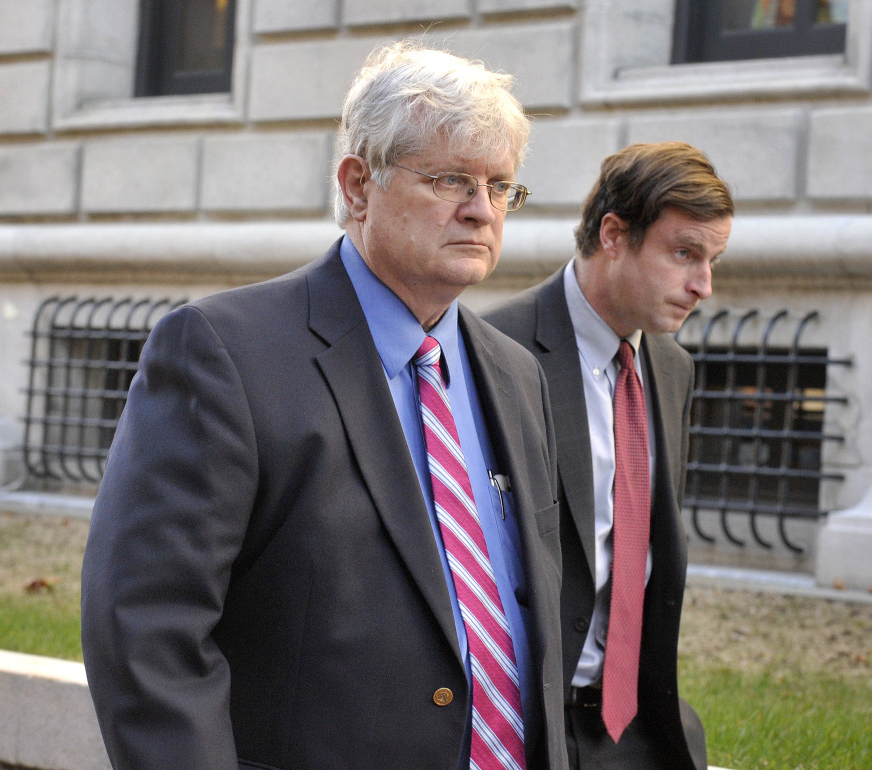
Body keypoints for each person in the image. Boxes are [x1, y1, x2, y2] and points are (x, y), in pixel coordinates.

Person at [81, 42, 568, 770]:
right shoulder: (223, 353)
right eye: (450, 180)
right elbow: (148, 632)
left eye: (500, 187)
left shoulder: (516, 374)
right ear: (358, 185)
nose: (480, 211)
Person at [484, 142, 734, 769]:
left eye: (712, 260)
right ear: (614, 234)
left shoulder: (672, 369)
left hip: (642, 728)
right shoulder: (492, 351)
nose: (704, 285)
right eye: (685, 254)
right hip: (525, 721)